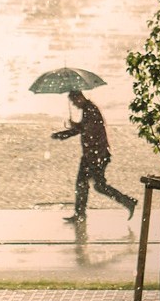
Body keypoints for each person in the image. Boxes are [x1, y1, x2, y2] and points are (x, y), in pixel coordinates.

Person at [51, 90, 137, 223]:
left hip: (97, 155)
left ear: (79, 97)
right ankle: (80, 214)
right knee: (83, 184)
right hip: (93, 155)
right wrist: (72, 129)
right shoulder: (88, 109)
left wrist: (66, 132)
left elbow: (87, 130)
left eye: (74, 101)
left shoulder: (90, 110)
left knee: (97, 185)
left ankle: (128, 201)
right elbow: (85, 128)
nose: (74, 105)